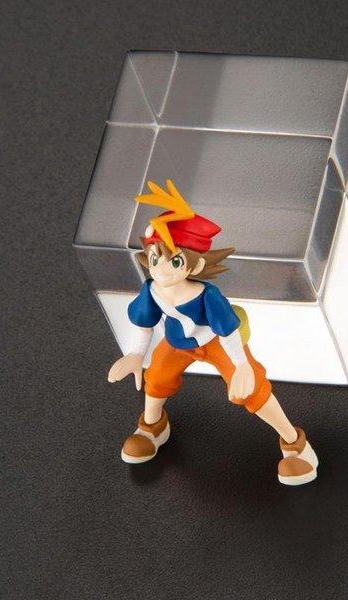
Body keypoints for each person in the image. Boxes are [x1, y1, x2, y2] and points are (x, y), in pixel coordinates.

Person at [108, 180, 318, 485]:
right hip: (177, 343)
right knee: (157, 375)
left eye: (174, 260)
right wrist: (136, 354)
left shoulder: (207, 295)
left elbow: (228, 330)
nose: (162, 268)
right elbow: (145, 322)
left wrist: (242, 365)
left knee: (252, 388)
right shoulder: (152, 290)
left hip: (218, 343)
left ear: (194, 266)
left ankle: (295, 445)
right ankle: (152, 427)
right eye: (155, 258)